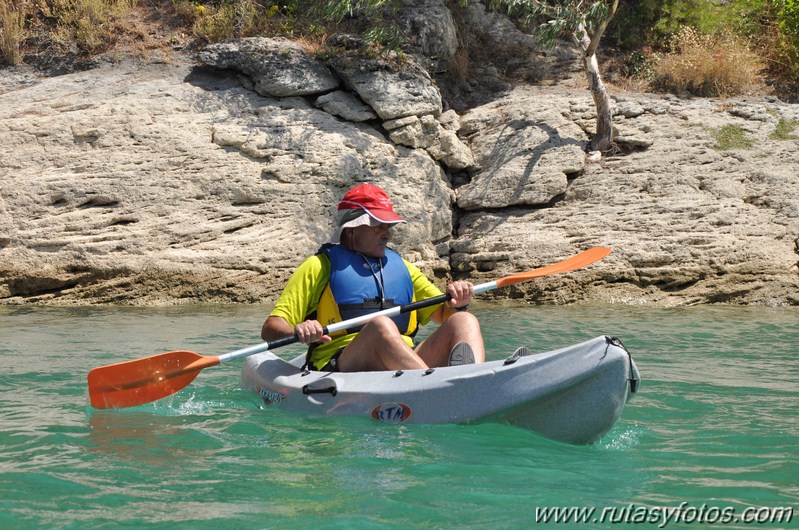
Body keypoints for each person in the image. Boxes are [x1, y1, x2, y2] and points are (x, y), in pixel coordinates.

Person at [261, 183, 485, 372]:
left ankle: (472, 379)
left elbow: (443, 315)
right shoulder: (319, 266)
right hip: (342, 363)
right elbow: (271, 329)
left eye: (389, 225)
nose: (387, 232)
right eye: (378, 225)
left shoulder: (403, 267)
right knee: (380, 326)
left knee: (464, 320)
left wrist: (459, 303)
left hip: (405, 360)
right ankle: (436, 384)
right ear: (352, 229)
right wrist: (298, 330)